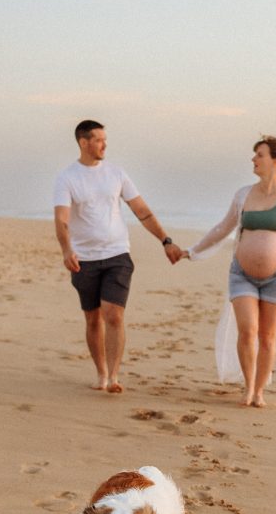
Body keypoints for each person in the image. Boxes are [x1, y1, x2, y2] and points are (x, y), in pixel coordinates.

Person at [181, 136, 276, 408]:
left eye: (259, 155)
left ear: (275, 160)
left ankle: (259, 392)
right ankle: (248, 386)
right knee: (247, 330)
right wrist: (192, 251)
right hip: (241, 274)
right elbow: (223, 228)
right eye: (255, 155)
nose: (253, 160)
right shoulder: (244, 194)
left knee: (267, 336)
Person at [54, 120, 183, 393]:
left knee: (113, 315)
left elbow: (142, 211)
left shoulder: (116, 173)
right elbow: (62, 220)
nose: (104, 144)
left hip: (117, 254)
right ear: (83, 142)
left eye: (105, 139)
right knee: (92, 318)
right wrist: (66, 249)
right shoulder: (67, 178)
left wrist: (166, 240)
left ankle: (113, 377)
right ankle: (100, 373)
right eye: (98, 139)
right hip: (84, 259)